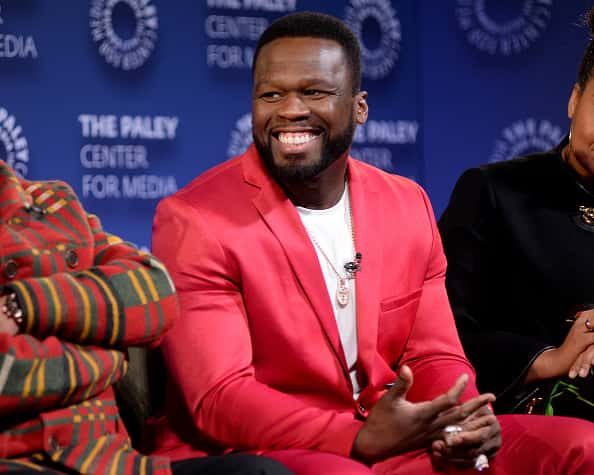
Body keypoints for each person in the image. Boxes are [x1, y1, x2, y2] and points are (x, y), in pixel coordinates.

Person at [149, 11, 594, 475]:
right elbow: (220, 399)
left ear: (360, 107)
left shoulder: (405, 204)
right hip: (264, 449)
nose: (290, 110)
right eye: (271, 95)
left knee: (581, 446)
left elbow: (433, 353)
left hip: (398, 442)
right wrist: (355, 438)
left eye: (315, 92)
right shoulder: (197, 219)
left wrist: (460, 420)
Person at [0, 160, 293, 475]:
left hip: (114, 463)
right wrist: (110, 352)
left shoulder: (53, 201)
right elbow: (8, 376)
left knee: (261, 473)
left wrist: (24, 305)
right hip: (18, 462)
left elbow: (157, 290)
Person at [438, 7, 594, 416]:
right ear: (574, 100)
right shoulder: (494, 191)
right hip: (529, 417)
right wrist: (551, 357)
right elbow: (440, 334)